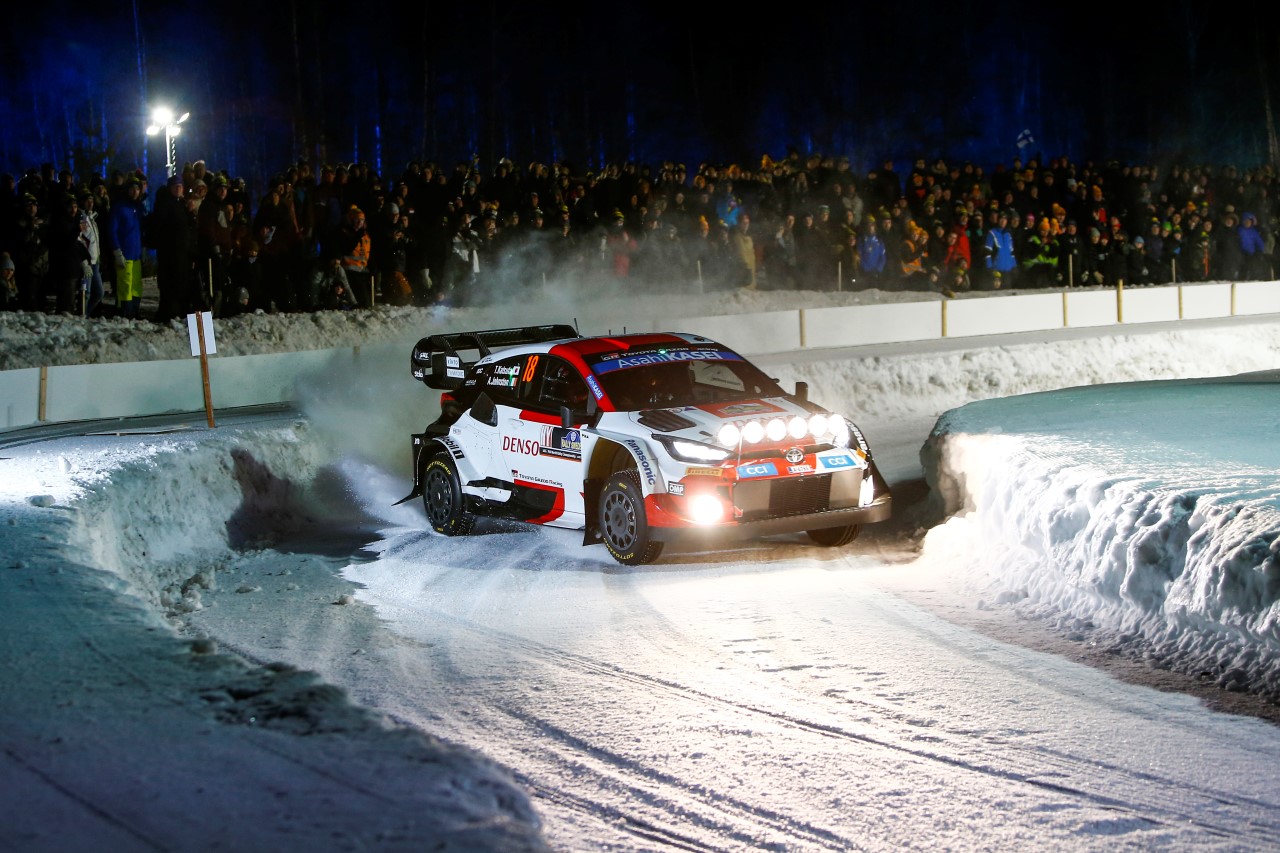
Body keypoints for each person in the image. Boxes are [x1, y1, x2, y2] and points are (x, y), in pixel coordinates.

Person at [107, 177, 147, 318]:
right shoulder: (119, 207)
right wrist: (117, 251)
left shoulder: (138, 208)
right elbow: (112, 230)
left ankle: (134, 311)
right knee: (125, 286)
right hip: (124, 254)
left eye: (137, 189)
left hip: (136, 255)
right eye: (132, 189)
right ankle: (124, 313)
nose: (135, 192)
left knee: (136, 286)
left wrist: (142, 249)